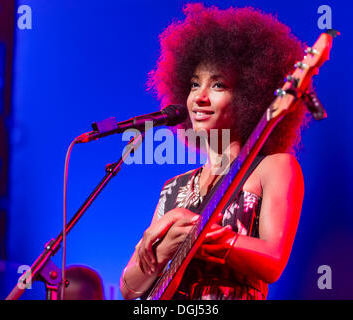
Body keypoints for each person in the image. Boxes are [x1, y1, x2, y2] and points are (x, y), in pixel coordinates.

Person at [120, 3, 307, 300]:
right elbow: (129, 289)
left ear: (250, 95)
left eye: (218, 85)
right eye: (195, 85)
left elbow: (273, 261)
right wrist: (162, 251)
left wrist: (195, 235)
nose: (200, 98)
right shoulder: (173, 188)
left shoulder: (274, 167)